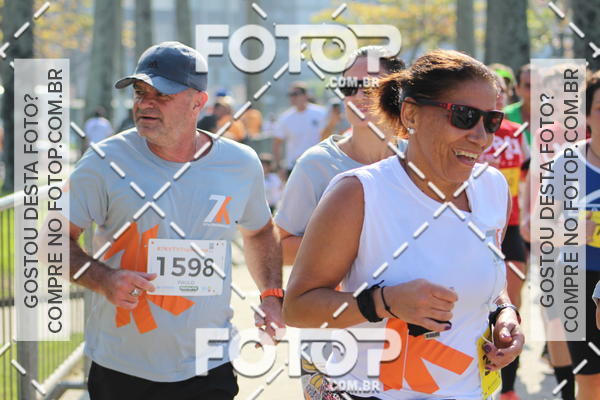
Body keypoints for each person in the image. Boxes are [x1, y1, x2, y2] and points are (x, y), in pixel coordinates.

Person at [284, 50, 524, 399]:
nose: (481, 137)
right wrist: (384, 302)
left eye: (491, 121)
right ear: (411, 113)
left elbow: (489, 278)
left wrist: (504, 313)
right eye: (464, 116)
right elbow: (298, 308)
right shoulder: (358, 193)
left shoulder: (493, 187)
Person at [59, 41, 283, 400]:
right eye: (140, 92)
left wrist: (271, 295)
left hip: (209, 362)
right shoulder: (104, 161)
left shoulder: (240, 163)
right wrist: (104, 279)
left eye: (161, 95)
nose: (145, 103)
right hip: (124, 366)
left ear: (198, 102)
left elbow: (259, 232)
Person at [275, 46, 405, 398]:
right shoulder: (316, 164)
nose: (359, 96)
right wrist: (351, 242)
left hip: (404, 336)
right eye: (350, 86)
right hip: (331, 338)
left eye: (372, 86)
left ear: (399, 92)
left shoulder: (420, 162)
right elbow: (280, 247)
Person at [479, 72, 528, 400]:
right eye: (492, 91)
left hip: (510, 226)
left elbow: (526, 175)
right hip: (479, 226)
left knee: (512, 300)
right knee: (483, 299)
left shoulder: (515, 132)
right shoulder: (472, 129)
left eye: (502, 91)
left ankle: (508, 386)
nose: (498, 96)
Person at [272, 82, 326, 177]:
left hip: (317, 165)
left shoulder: (321, 113)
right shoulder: (285, 118)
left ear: (306, 95)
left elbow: (328, 136)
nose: (293, 97)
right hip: (294, 166)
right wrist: (279, 167)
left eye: (296, 94)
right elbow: (277, 142)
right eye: (290, 95)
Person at [504, 64, 532, 147]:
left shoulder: (555, 117)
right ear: (517, 89)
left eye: (538, 85)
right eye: (528, 86)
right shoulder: (505, 116)